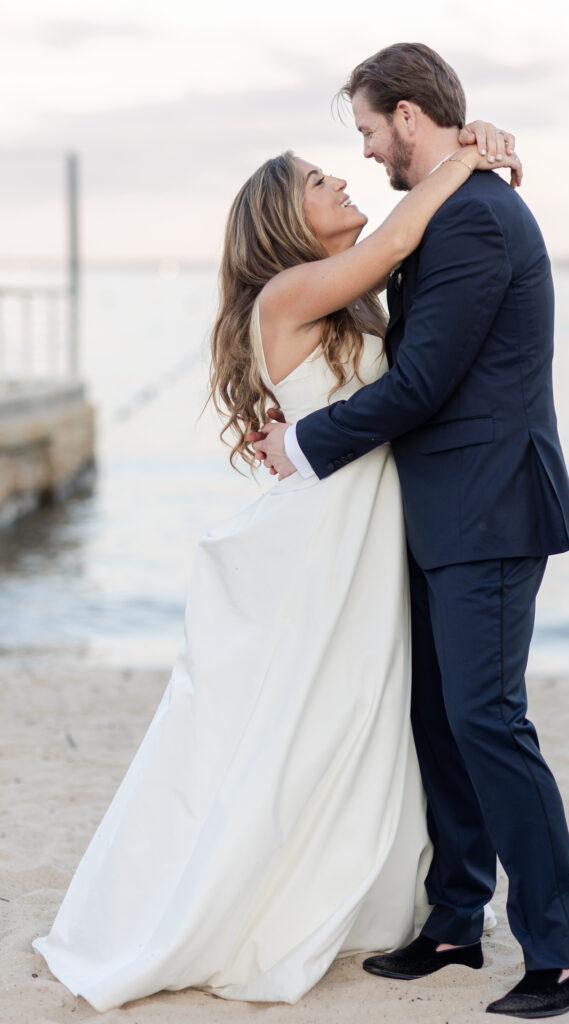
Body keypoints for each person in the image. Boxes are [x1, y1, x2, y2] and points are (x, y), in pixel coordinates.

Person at [31, 119, 519, 1010]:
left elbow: (401, 274)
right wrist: (468, 157)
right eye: (317, 180)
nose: (341, 180)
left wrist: (463, 152)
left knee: (355, 719)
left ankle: (371, 883)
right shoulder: (291, 290)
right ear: (282, 221)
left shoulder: (338, 298)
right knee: (302, 722)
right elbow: (405, 233)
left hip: (362, 532)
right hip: (323, 539)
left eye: (341, 165)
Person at [255, 43, 569, 1019]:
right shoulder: (444, 211)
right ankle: (454, 921)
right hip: (436, 511)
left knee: (487, 722)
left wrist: (302, 443)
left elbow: (421, 385)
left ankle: (562, 957)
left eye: (366, 129)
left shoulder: (477, 222)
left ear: (408, 116)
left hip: (488, 509)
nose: (364, 151)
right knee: (436, 722)